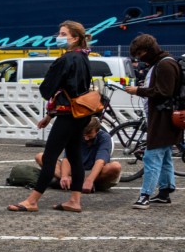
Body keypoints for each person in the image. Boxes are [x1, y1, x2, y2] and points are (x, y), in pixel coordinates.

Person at [8, 21, 96, 214]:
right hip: (80, 113)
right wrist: (50, 115)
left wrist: (50, 100)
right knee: (74, 156)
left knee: (49, 157)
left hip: (67, 115)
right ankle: (75, 200)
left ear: (74, 38)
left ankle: (32, 200)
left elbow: (47, 89)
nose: (59, 37)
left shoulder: (66, 59)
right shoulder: (84, 58)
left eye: (63, 34)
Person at [125, 34, 183, 208]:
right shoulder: (165, 62)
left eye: (139, 54)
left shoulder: (164, 65)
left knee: (151, 156)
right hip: (166, 118)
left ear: (146, 51)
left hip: (162, 119)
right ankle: (165, 192)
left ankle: (145, 196)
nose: (139, 58)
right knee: (164, 156)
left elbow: (163, 92)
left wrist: (139, 90)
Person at [31, 117, 121, 192]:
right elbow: (67, 158)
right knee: (41, 156)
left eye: (89, 135)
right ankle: (71, 181)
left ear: (97, 131)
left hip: (93, 172)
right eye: (84, 134)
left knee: (115, 167)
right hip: (74, 170)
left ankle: (79, 183)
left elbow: (100, 162)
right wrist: (64, 176)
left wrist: (89, 180)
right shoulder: (76, 134)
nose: (86, 138)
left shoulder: (105, 137)